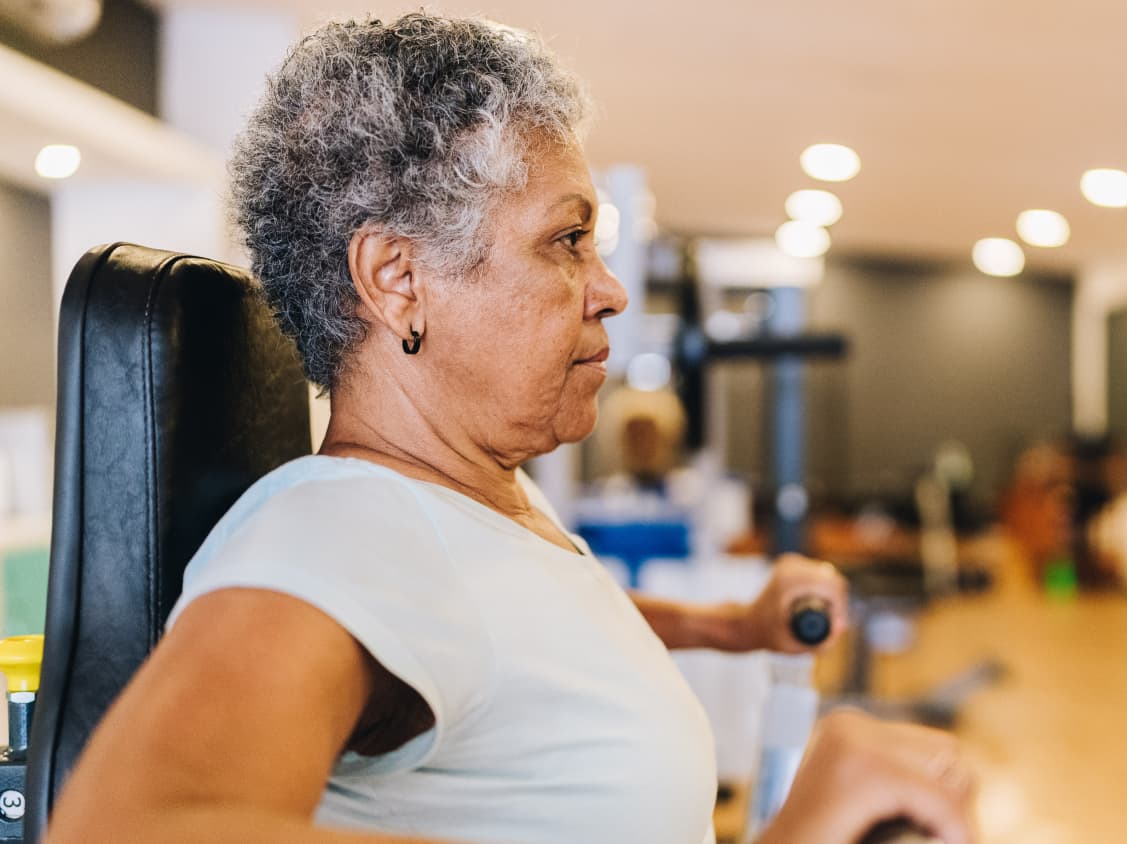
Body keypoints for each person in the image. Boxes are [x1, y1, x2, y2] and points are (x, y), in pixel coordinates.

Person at [47, 13, 976, 844]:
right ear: (398, 279)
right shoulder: (339, 532)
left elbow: (494, 636)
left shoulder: (474, 497)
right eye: (566, 240)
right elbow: (129, 828)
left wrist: (726, 627)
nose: (609, 289)